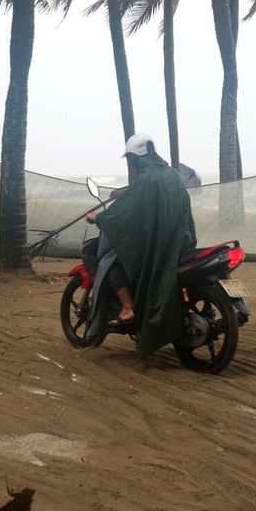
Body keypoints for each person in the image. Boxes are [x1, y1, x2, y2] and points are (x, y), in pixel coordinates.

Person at [84, 133, 197, 358]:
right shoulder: (171, 175)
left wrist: (100, 218)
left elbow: (123, 216)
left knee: (111, 263)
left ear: (136, 160)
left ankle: (128, 308)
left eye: (131, 161)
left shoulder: (146, 181)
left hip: (157, 246)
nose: (131, 165)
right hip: (179, 242)